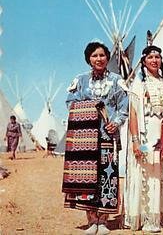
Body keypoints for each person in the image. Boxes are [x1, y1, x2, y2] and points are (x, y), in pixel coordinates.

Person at [62, 42, 128, 235]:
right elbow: (70, 102)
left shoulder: (117, 80)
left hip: (108, 135)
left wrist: (115, 122)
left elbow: (124, 105)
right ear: (88, 59)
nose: (99, 59)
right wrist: (91, 108)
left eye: (102, 55)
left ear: (107, 58)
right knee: (87, 178)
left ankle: (104, 220)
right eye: (94, 56)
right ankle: (91, 220)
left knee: (107, 176)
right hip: (85, 137)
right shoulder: (80, 80)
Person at [124, 42, 163, 232]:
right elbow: (134, 114)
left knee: (161, 171)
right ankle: (146, 218)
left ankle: (158, 216)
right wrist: (136, 141)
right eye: (150, 58)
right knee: (147, 171)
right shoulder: (139, 84)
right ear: (144, 62)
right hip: (146, 136)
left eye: (157, 57)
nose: (155, 60)